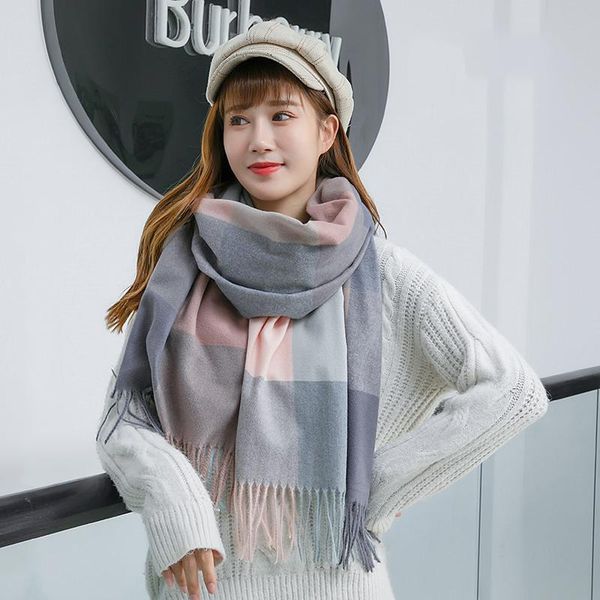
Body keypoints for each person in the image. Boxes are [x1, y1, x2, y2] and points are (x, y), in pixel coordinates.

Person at [95, 19, 550, 600]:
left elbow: (511, 391)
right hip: (206, 587)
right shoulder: (184, 268)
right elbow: (123, 419)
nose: (259, 140)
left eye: (282, 115)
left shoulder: (382, 274)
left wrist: (375, 486)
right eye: (239, 120)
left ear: (327, 131)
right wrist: (174, 502)